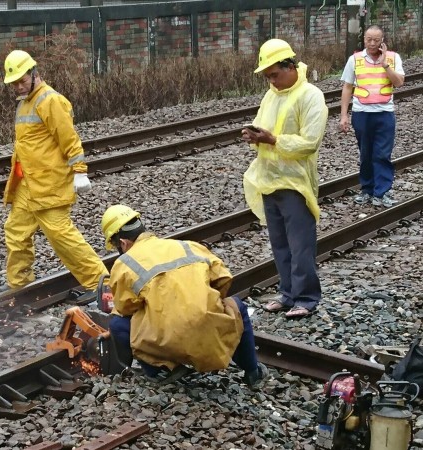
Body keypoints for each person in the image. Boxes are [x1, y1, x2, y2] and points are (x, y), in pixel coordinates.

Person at [100, 204, 268, 389]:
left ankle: (162, 372)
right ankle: (252, 371)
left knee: (118, 324)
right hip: (212, 327)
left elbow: (125, 307)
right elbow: (223, 278)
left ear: (123, 242)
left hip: (167, 340)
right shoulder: (188, 246)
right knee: (237, 306)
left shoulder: (124, 263)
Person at [2, 49, 108, 292]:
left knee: (62, 238)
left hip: (49, 185)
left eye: (22, 81)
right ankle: (19, 286)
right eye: (14, 83)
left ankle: (104, 286)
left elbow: (69, 139)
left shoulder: (50, 100)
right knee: (16, 233)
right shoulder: (25, 103)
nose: (18, 87)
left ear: (34, 73)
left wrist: (80, 171)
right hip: (28, 184)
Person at [241, 39, 328, 319]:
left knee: (300, 244)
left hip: (295, 182)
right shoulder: (271, 96)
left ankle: (306, 298)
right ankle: (288, 293)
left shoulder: (310, 96)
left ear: (290, 66)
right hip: (269, 179)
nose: (272, 81)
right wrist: (255, 136)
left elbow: (310, 142)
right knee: (280, 243)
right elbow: (263, 125)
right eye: (268, 77)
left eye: (275, 75)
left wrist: (274, 140)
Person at [339, 25, 405, 208]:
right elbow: (347, 87)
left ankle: (382, 192)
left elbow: (399, 83)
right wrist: (344, 115)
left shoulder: (393, 58)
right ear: (364, 39)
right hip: (361, 113)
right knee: (366, 153)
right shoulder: (355, 59)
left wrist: (385, 64)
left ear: (382, 40)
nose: (372, 43)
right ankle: (367, 189)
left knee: (382, 154)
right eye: (369, 39)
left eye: (376, 40)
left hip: (384, 113)